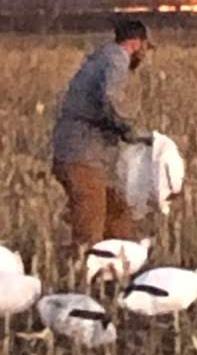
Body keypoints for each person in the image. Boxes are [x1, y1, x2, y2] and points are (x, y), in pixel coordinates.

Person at [51, 18, 155, 250]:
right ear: (136, 43)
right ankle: (81, 268)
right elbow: (109, 99)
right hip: (83, 157)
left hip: (78, 152)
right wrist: (127, 130)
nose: (144, 54)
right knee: (90, 228)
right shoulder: (117, 59)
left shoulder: (101, 57)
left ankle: (121, 265)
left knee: (118, 220)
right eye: (145, 47)